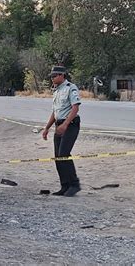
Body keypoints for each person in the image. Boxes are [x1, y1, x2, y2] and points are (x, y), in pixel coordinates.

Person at [42, 66, 82, 197]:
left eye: (54, 76)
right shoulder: (56, 91)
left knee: (64, 154)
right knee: (58, 157)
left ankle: (74, 184)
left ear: (62, 75)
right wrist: (47, 128)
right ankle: (64, 185)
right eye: (51, 76)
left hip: (70, 124)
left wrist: (65, 124)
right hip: (59, 124)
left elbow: (75, 108)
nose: (52, 78)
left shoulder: (71, 88)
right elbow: (55, 112)